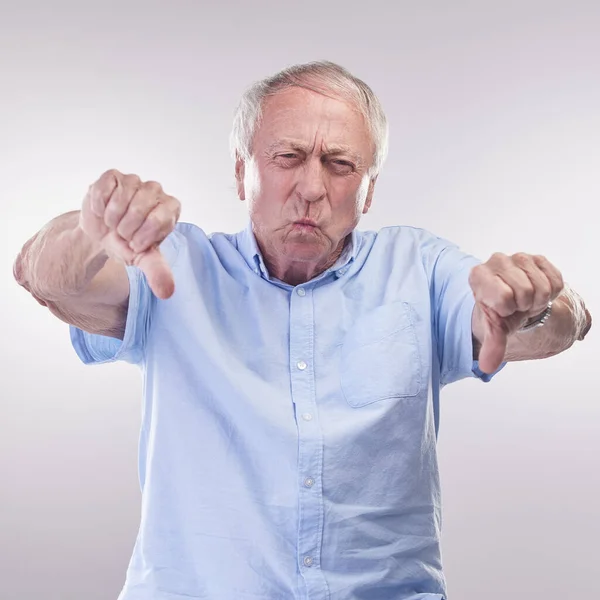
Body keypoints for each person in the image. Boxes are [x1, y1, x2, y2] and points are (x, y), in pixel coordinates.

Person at [13, 61, 592, 600]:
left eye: (341, 165)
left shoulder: (417, 267)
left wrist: (533, 307)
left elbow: (556, 321)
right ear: (242, 173)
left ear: (369, 189)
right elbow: (44, 275)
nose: (313, 188)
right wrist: (91, 231)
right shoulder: (175, 266)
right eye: (287, 157)